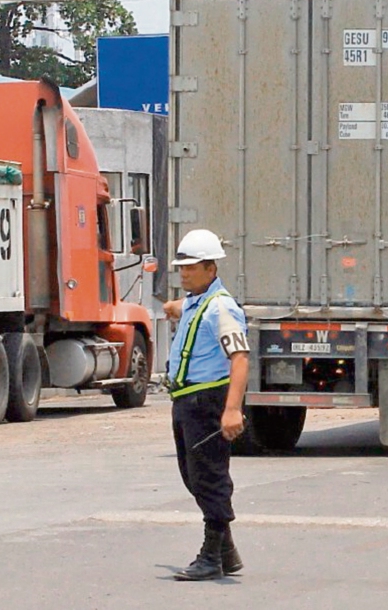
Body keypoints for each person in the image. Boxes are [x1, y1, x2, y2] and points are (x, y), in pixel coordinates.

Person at [165, 228, 249, 581]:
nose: (184, 273)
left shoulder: (222, 308)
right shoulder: (198, 301)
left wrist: (231, 409)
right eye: (181, 267)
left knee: (210, 477)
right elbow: (184, 306)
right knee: (192, 475)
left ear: (211, 270)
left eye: (191, 267)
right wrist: (174, 307)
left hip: (207, 401)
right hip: (186, 401)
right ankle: (226, 550)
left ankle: (212, 556)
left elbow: (240, 357)